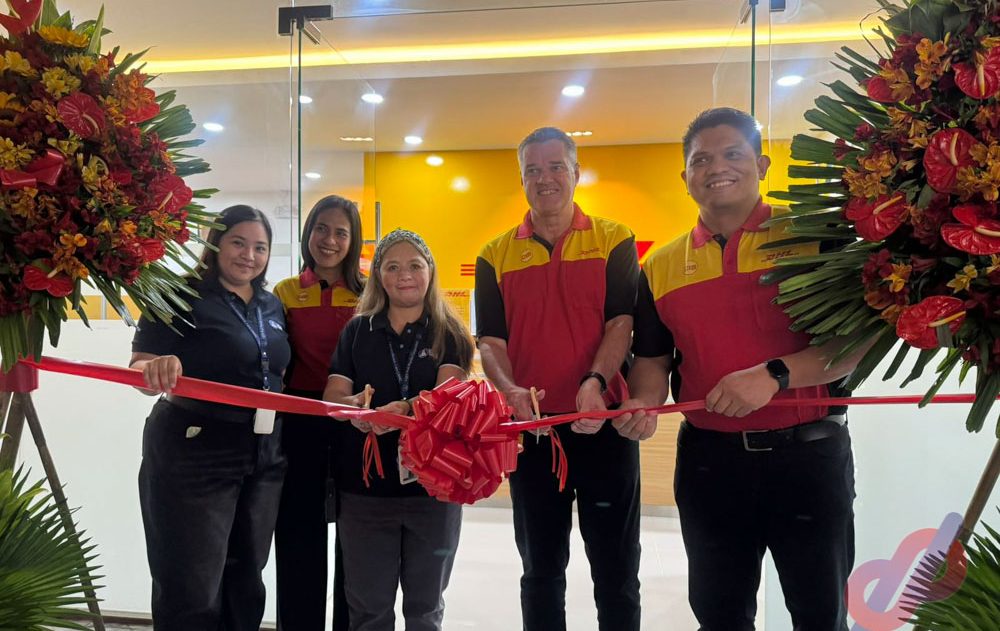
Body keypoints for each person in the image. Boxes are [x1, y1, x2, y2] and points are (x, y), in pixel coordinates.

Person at [615, 107, 860, 630]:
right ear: (685, 177)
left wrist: (775, 375)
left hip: (808, 460)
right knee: (719, 615)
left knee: (821, 616)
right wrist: (642, 401)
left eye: (732, 154)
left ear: (762, 164)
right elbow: (653, 358)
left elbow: (853, 344)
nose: (716, 168)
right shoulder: (659, 266)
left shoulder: (816, 239)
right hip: (710, 465)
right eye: (701, 160)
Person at [475, 126, 641, 631]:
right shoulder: (494, 254)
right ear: (522, 178)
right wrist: (509, 391)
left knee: (616, 571)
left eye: (554, 167)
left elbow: (621, 323)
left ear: (575, 171)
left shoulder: (614, 239)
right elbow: (491, 342)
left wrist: (594, 382)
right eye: (532, 169)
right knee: (541, 571)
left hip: (604, 427)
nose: (544, 178)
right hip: (534, 436)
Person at [130, 204, 291, 631]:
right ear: (215, 243)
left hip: (264, 454)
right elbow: (139, 370)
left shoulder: (271, 305)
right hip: (194, 450)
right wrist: (155, 368)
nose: (249, 256)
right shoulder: (177, 295)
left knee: (246, 577)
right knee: (192, 586)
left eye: (260, 247)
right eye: (238, 242)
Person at [323, 228, 474, 631]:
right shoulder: (358, 331)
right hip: (365, 492)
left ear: (430, 271)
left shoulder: (449, 331)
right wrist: (352, 407)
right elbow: (334, 393)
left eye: (414, 265)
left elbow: (448, 396)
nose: (404, 275)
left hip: (434, 490)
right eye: (392, 266)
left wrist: (404, 410)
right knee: (368, 611)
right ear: (378, 276)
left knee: (425, 610)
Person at [273, 195, 364, 631]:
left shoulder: (369, 293)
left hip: (354, 425)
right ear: (308, 232)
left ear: (353, 240)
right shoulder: (285, 292)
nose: (329, 240)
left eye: (341, 232)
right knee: (298, 534)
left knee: (356, 539)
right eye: (321, 229)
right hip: (299, 424)